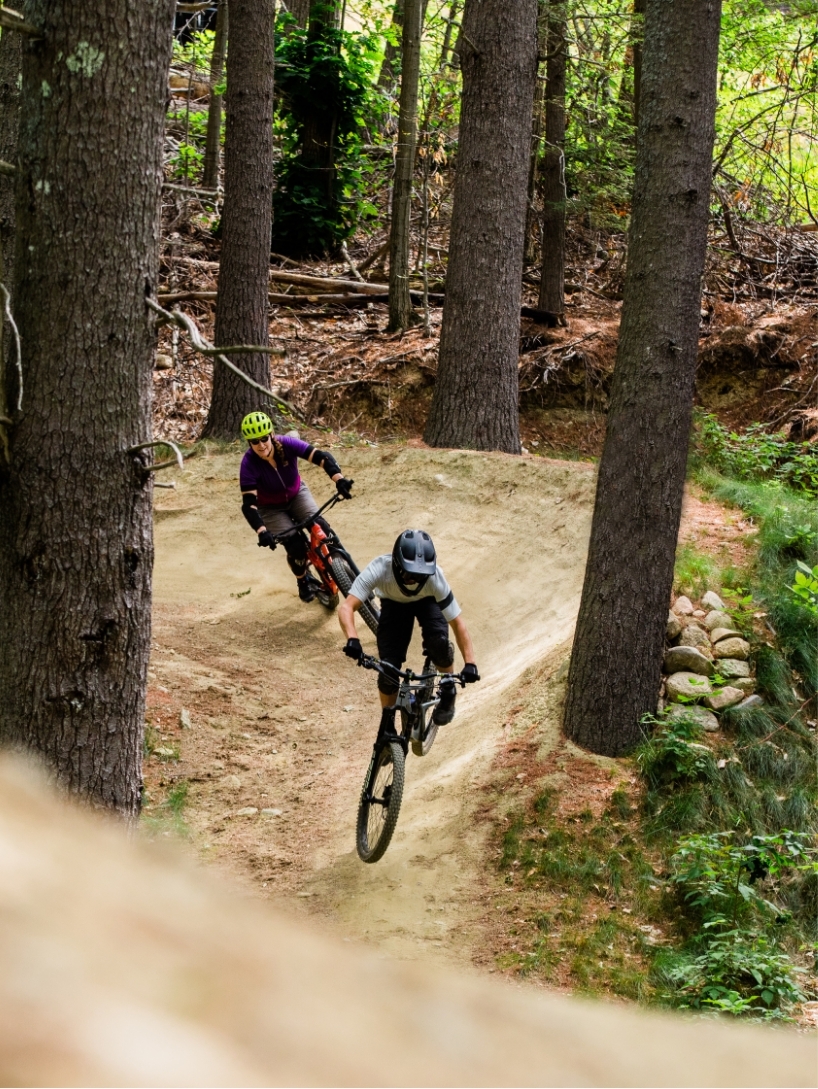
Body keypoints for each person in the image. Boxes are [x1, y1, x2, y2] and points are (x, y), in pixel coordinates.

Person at [338, 528, 479, 729]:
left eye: (420, 576)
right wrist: (353, 639)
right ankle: (387, 722)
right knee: (388, 670)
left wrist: (470, 663)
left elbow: (458, 624)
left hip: (427, 601)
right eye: (409, 573)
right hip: (393, 605)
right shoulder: (379, 568)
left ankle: (448, 689)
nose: (414, 579)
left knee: (438, 643)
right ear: (396, 563)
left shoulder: (434, 578)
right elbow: (347, 607)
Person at [239, 411, 353, 602]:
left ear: (271, 435)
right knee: (296, 547)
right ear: (249, 443)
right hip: (270, 509)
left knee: (322, 527)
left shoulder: (287, 444)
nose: (261, 445)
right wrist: (261, 531)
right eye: (254, 441)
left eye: (264, 438)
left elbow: (321, 457)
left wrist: (339, 480)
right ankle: (302, 580)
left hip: (296, 493)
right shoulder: (248, 464)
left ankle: (344, 565)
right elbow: (249, 505)